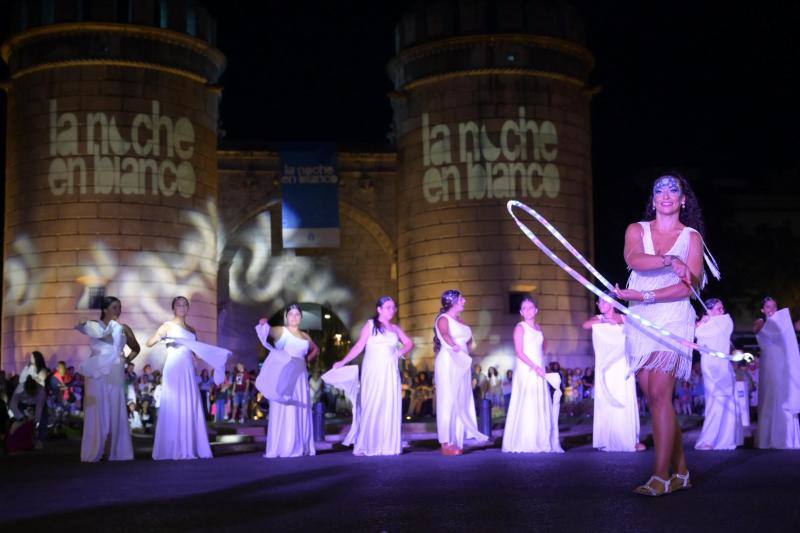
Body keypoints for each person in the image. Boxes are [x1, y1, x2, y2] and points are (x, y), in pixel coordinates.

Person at [614, 172, 709, 496]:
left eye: (673, 190)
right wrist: (671, 259)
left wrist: (647, 296)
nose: (666, 194)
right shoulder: (636, 230)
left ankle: (660, 476)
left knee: (660, 393)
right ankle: (681, 471)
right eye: (659, 190)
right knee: (654, 399)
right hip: (641, 319)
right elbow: (634, 259)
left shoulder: (692, 237)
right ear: (653, 200)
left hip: (671, 316)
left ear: (683, 200)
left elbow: (688, 287)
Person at [333, 296, 414, 456]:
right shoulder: (371, 325)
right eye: (388, 307)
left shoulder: (395, 328)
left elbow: (410, 343)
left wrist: (400, 352)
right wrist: (342, 362)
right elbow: (358, 346)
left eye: (393, 307)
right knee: (373, 403)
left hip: (390, 370)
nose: (392, 310)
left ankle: (387, 445)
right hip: (373, 370)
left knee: (388, 403)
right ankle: (370, 443)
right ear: (379, 309)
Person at [146, 296, 214, 460]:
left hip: (188, 369)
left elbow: (195, 352)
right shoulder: (167, 325)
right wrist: (158, 337)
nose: (182, 307)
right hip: (174, 368)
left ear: (188, 308)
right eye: (178, 304)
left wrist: (210, 356)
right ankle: (172, 447)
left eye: (184, 304)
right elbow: (149, 342)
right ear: (173, 308)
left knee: (189, 404)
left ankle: (189, 447)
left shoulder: (191, 330)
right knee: (174, 404)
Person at [76, 296, 140, 462]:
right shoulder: (95, 326)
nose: (117, 311)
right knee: (97, 408)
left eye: (119, 307)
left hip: (115, 371)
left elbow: (135, 348)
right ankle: (95, 449)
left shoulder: (124, 328)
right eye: (114, 307)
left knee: (115, 406)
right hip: (97, 371)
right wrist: (83, 322)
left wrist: (125, 360)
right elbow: (83, 325)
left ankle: (115, 450)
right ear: (104, 309)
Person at [256, 303, 319, 458]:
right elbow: (267, 330)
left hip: (300, 375)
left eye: (297, 314)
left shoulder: (305, 336)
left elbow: (315, 349)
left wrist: (307, 360)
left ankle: (299, 444)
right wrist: (264, 323)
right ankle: (284, 445)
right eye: (291, 314)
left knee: (299, 408)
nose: (294, 317)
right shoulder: (281, 330)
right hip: (285, 374)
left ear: (301, 317)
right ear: (286, 316)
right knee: (285, 407)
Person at [583, 296, 644, 452]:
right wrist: (604, 321)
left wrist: (617, 321)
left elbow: (636, 327)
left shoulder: (623, 317)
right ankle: (606, 438)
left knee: (623, 396)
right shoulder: (598, 318)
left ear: (612, 303)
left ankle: (630, 439)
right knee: (607, 399)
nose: (601, 305)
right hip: (605, 366)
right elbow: (585, 325)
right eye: (599, 302)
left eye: (604, 301)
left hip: (622, 363)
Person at [502, 297, 563, 453]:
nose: (528, 310)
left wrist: (541, 361)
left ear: (536, 310)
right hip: (526, 368)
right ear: (521, 312)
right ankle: (525, 439)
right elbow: (519, 352)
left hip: (538, 367)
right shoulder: (520, 327)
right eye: (525, 308)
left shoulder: (537, 327)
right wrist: (535, 366)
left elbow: (542, 345)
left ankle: (541, 438)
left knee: (539, 400)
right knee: (527, 400)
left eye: (530, 307)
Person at [433, 290, 489, 455]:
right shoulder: (443, 319)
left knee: (461, 398)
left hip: (462, 363)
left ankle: (456, 440)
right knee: (448, 399)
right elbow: (445, 334)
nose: (464, 301)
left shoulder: (461, 320)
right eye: (461, 299)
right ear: (453, 302)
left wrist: (466, 353)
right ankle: (446, 443)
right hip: (449, 360)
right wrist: (454, 347)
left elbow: (469, 340)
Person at [694, 298, 743, 450]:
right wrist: (703, 321)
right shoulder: (706, 323)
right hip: (710, 365)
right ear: (709, 310)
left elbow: (702, 332)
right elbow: (697, 335)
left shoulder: (726, 321)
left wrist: (703, 323)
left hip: (722, 366)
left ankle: (723, 439)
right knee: (715, 400)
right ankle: (709, 439)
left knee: (725, 399)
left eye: (722, 308)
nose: (722, 311)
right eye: (718, 309)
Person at [752, 297, 800, 449]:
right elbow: (757, 330)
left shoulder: (784, 324)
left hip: (784, 363)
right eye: (768, 307)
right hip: (769, 364)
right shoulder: (760, 322)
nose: (772, 310)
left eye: (774, 307)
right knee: (771, 395)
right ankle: (768, 439)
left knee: (784, 394)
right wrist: (767, 320)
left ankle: (787, 439)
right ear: (762, 309)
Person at [9, 351, 49, 449]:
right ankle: (15, 439)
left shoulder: (41, 392)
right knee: (19, 421)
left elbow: (39, 408)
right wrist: (21, 416)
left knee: (44, 417)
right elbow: (13, 404)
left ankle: (40, 440)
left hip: (35, 405)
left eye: (33, 393)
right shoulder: (20, 388)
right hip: (22, 405)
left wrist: (36, 421)